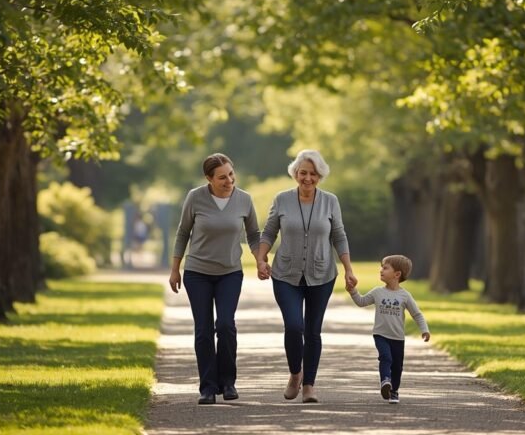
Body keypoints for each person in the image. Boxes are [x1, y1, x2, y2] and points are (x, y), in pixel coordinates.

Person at [255, 149, 357, 403]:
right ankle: (294, 374)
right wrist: (260, 257)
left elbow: (339, 235)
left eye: (313, 174)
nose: (307, 178)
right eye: (303, 173)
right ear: (295, 174)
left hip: (322, 274)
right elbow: (269, 232)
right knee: (293, 326)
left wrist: (348, 268)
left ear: (320, 176)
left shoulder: (330, 201)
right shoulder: (282, 199)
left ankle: (309, 385)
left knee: (312, 331)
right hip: (285, 273)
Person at [170, 153, 261, 405]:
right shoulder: (195, 197)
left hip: (230, 272)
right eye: (222, 177)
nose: (229, 180)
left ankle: (228, 382)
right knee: (203, 331)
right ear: (209, 178)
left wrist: (260, 260)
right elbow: (182, 233)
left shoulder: (244, 199)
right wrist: (175, 268)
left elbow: (254, 234)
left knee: (225, 325)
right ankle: (208, 387)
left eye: (231, 174)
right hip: (197, 272)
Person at [346, 255, 430, 404]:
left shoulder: (405, 296)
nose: (381, 270)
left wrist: (424, 330)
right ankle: (385, 381)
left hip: (398, 337)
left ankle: (394, 391)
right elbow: (361, 301)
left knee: (397, 366)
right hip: (380, 334)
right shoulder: (377, 292)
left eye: (385, 268)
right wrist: (353, 291)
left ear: (397, 274)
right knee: (386, 358)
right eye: (381, 267)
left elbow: (417, 314)